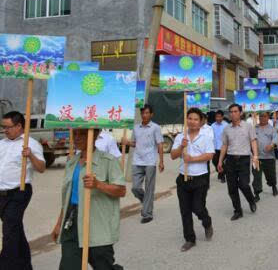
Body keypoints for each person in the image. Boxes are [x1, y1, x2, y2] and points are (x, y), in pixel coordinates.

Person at [51, 128, 125, 269]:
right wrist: (59, 223)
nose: (77, 138)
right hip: (72, 222)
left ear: (95, 134)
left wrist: (98, 184)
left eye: (83, 134)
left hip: (97, 224)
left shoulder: (108, 161)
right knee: (68, 266)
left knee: (103, 265)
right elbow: (67, 197)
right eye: (75, 134)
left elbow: (121, 190)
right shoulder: (71, 162)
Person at [0, 111, 45, 270]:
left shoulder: (31, 144)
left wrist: (30, 155)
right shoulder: (2, 144)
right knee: (15, 229)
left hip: (19, 191)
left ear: (19, 126)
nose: (5, 130)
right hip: (2, 194)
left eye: (8, 127)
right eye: (3, 127)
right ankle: (25, 265)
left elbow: (41, 168)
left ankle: (5, 265)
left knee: (10, 229)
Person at [170, 108, 215, 252]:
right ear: (186, 119)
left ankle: (207, 222)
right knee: (185, 211)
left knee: (198, 207)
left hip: (200, 178)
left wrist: (193, 159)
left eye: (195, 119)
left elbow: (210, 155)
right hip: (183, 178)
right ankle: (190, 239)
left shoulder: (206, 136)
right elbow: (173, 155)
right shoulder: (180, 137)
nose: (192, 121)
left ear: (200, 121)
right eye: (190, 118)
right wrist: (181, 147)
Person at [217, 104, 259, 221]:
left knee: (244, 184)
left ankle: (251, 200)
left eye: (235, 111)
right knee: (232, 188)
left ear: (240, 113)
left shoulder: (248, 126)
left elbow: (253, 141)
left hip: (244, 159)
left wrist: (255, 156)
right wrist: (220, 161)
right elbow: (224, 145)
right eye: (231, 112)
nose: (232, 114)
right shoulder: (226, 129)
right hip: (230, 160)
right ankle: (238, 211)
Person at [123, 104, 164, 224]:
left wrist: (161, 161)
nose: (144, 115)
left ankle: (147, 214)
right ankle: (146, 201)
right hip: (137, 161)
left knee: (149, 188)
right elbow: (135, 143)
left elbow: (160, 144)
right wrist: (127, 142)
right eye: (143, 113)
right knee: (135, 188)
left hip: (150, 161)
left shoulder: (155, 128)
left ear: (151, 114)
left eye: (147, 113)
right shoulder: (136, 128)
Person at [252, 112, 278, 200]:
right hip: (256, 157)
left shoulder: (272, 129)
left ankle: (273, 186)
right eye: (261, 116)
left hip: (269, 157)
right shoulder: (254, 128)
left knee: (270, 175)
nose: (262, 118)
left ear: (268, 118)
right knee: (256, 176)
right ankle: (257, 193)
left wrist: (271, 145)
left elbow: (276, 141)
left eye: (264, 116)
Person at [211, 110, 228, 183]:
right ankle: (220, 172)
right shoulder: (212, 125)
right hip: (215, 147)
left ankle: (222, 176)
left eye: (219, 117)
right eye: (216, 117)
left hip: (223, 147)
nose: (218, 118)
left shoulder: (226, 125)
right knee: (214, 161)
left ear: (222, 117)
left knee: (221, 162)